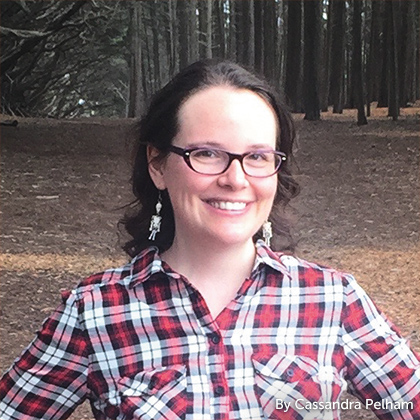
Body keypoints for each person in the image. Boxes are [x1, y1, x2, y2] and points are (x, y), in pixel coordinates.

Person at [0, 60, 419, 420]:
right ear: (157, 164)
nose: (235, 179)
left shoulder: (332, 300)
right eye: (206, 153)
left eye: (257, 157)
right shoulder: (95, 312)